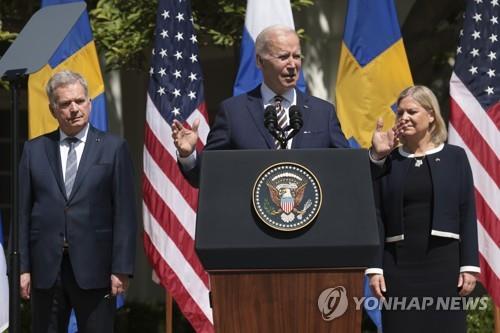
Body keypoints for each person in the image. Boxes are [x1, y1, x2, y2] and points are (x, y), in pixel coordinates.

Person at [171, 24, 391, 182]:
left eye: (297, 56)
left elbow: (347, 171)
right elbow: (206, 176)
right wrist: (188, 154)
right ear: (260, 61)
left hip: (312, 232)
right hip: (253, 232)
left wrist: (376, 156)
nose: (293, 65)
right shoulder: (233, 112)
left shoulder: (322, 112)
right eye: (283, 57)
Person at [18, 70, 137, 333]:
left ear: (90, 103)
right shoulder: (33, 150)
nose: (74, 109)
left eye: (80, 101)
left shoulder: (113, 148)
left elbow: (125, 213)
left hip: (97, 269)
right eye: (65, 103)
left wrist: (122, 268)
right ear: (52, 109)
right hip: (46, 270)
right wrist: (23, 268)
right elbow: (23, 214)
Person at [367, 85, 480, 333]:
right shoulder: (388, 160)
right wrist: (376, 156)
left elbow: (467, 211)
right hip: (398, 267)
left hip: (444, 267)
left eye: (411, 111)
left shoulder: (455, 157)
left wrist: (469, 265)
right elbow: (374, 212)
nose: (403, 117)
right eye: (399, 113)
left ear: (431, 116)